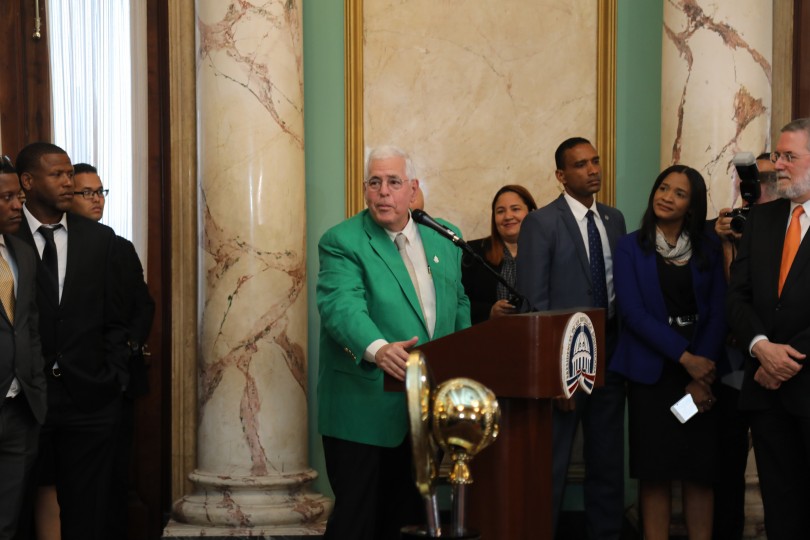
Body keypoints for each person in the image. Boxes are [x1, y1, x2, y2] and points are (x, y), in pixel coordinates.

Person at [316, 145, 470, 540]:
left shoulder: (445, 236)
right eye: (375, 182)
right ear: (366, 190)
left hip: (425, 410)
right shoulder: (342, 240)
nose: (383, 191)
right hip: (363, 410)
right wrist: (378, 348)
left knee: (412, 520)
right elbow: (340, 305)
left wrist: (465, 361)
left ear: (412, 189)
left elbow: (460, 303)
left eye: (393, 182)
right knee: (358, 522)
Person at [13, 143, 129, 540]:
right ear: (28, 182)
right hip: (27, 400)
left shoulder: (100, 240)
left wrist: (114, 374)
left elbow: (118, 318)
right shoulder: (7, 238)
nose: (68, 182)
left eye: (69, 174)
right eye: (57, 175)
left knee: (88, 511)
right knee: (21, 508)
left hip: (91, 397)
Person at [33, 163, 155, 539]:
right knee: (40, 486)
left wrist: (118, 366)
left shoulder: (112, 244)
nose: (94, 198)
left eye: (100, 192)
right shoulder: (22, 239)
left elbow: (134, 309)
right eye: (87, 192)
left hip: (98, 388)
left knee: (102, 493)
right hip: (37, 390)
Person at [516, 137, 627, 539]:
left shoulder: (614, 219)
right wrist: (552, 376)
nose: (592, 169)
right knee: (553, 462)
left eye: (595, 161)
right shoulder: (541, 223)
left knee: (608, 458)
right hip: (563, 361)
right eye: (581, 165)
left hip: (611, 355)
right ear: (561, 176)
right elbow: (533, 303)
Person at [610, 165, 726, 540]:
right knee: (655, 473)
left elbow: (718, 309)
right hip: (652, 373)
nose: (667, 197)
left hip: (703, 372)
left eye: (679, 193)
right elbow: (633, 313)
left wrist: (702, 370)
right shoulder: (630, 246)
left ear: (692, 206)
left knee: (699, 472)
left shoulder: (708, 246)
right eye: (663, 188)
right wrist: (685, 358)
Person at [726, 117, 810, 539]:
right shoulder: (761, 220)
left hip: (803, 378)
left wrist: (788, 358)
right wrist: (761, 347)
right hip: (766, 388)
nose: (778, 164)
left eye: (789, 156)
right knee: (780, 506)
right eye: (778, 155)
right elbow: (736, 297)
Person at [710, 152, 778, 540]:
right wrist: (726, 245)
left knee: (782, 466)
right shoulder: (724, 227)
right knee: (727, 461)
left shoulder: (791, 226)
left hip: (781, 363)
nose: (757, 187)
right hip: (731, 366)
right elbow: (724, 297)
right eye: (749, 180)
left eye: (767, 179)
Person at [0, 156, 46, 540]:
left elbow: (28, 328)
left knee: (9, 521)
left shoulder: (22, 254)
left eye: (19, 195)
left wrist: (37, 394)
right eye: (7, 197)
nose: (19, 205)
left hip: (20, 413)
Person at [461, 185, 537, 324]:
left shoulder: (546, 251)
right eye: (500, 211)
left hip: (536, 332)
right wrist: (489, 312)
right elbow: (460, 302)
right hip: (490, 338)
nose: (508, 216)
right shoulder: (474, 252)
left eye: (515, 209)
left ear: (531, 212)